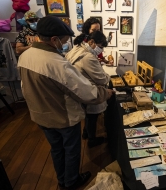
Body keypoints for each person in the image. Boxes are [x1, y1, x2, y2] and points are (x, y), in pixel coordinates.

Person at [17, 16, 114, 190]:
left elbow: (24, 88)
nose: (64, 43)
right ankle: (71, 181)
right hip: (63, 117)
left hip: (40, 116)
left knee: (56, 149)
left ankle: (62, 179)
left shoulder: (25, 55)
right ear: (54, 39)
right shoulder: (55, 63)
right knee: (71, 150)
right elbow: (85, 92)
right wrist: (105, 93)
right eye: (63, 40)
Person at [66, 31, 109, 148]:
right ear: (91, 42)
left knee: (87, 114)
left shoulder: (76, 49)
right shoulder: (87, 57)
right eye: (100, 47)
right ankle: (92, 139)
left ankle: (86, 133)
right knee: (92, 115)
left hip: (77, 88)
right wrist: (107, 76)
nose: (101, 50)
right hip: (88, 88)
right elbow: (102, 79)